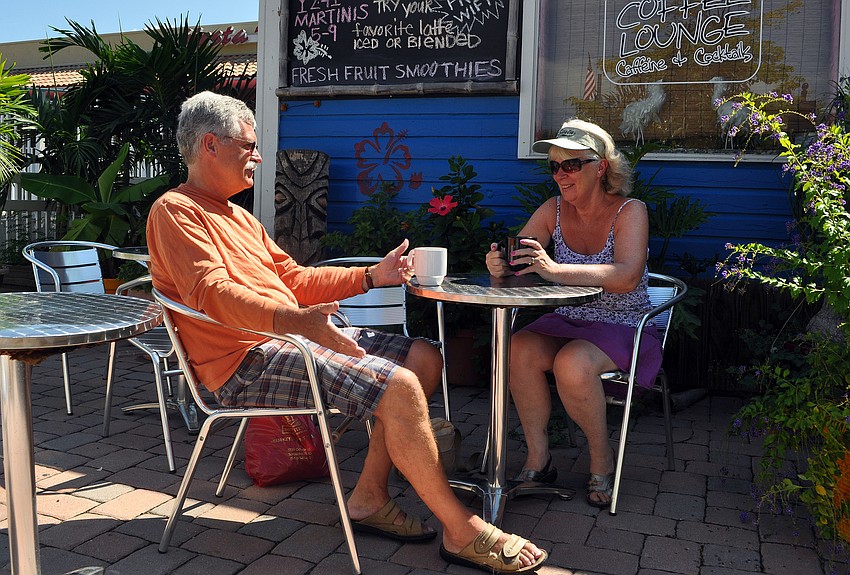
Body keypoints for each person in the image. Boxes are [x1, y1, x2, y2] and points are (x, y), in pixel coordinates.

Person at [147, 91, 548, 574]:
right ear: (210, 145)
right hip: (242, 362)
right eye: (249, 145)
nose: (257, 155)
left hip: (289, 337)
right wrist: (296, 321)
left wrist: (371, 277)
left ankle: (369, 497)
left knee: (422, 358)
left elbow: (292, 279)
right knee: (398, 386)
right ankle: (461, 529)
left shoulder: (239, 217)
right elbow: (213, 294)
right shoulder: (175, 211)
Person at [486, 118, 661, 509]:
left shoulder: (631, 211)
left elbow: (627, 276)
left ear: (600, 167)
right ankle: (539, 459)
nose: (560, 175)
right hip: (568, 320)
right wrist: (502, 266)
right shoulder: (553, 209)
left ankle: (601, 461)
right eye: (554, 166)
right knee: (517, 348)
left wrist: (552, 270)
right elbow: (525, 267)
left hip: (624, 321)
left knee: (571, 362)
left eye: (570, 165)